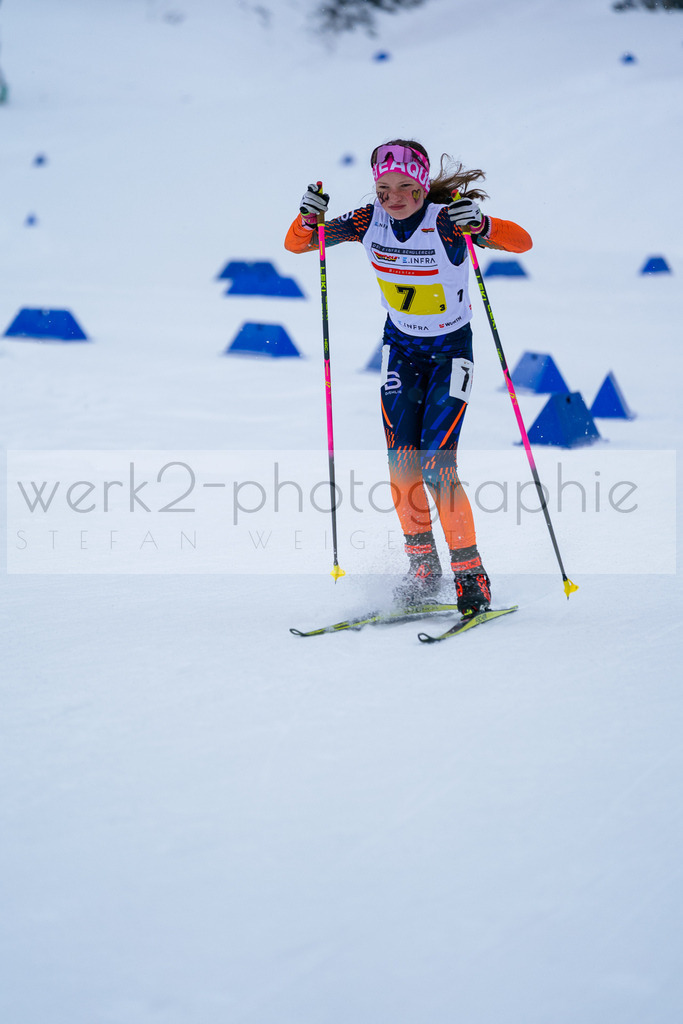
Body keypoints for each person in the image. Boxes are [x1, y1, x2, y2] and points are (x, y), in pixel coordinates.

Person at [285, 139, 532, 615]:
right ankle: (422, 569)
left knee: (438, 465)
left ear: (422, 187)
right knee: (402, 465)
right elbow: (298, 243)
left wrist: (481, 226)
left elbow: (521, 242)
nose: (392, 196)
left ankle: (470, 576)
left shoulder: (444, 221)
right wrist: (308, 218)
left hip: (449, 352)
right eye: (383, 187)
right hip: (400, 350)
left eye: (403, 186)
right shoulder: (365, 221)